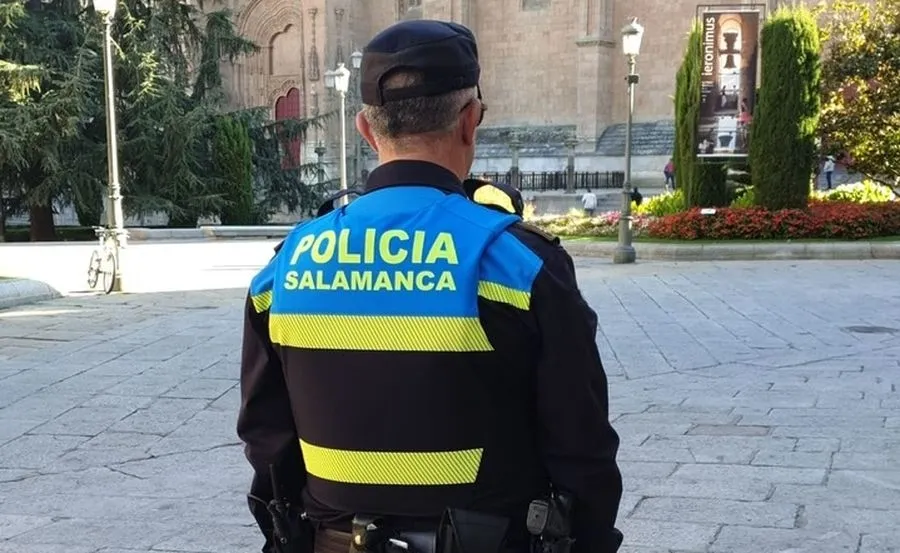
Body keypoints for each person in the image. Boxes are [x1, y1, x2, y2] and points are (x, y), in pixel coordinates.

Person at [237, 18, 623, 553]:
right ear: (470, 120)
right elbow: (583, 454)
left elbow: (268, 448)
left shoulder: (284, 269)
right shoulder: (520, 264)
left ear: (367, 131)